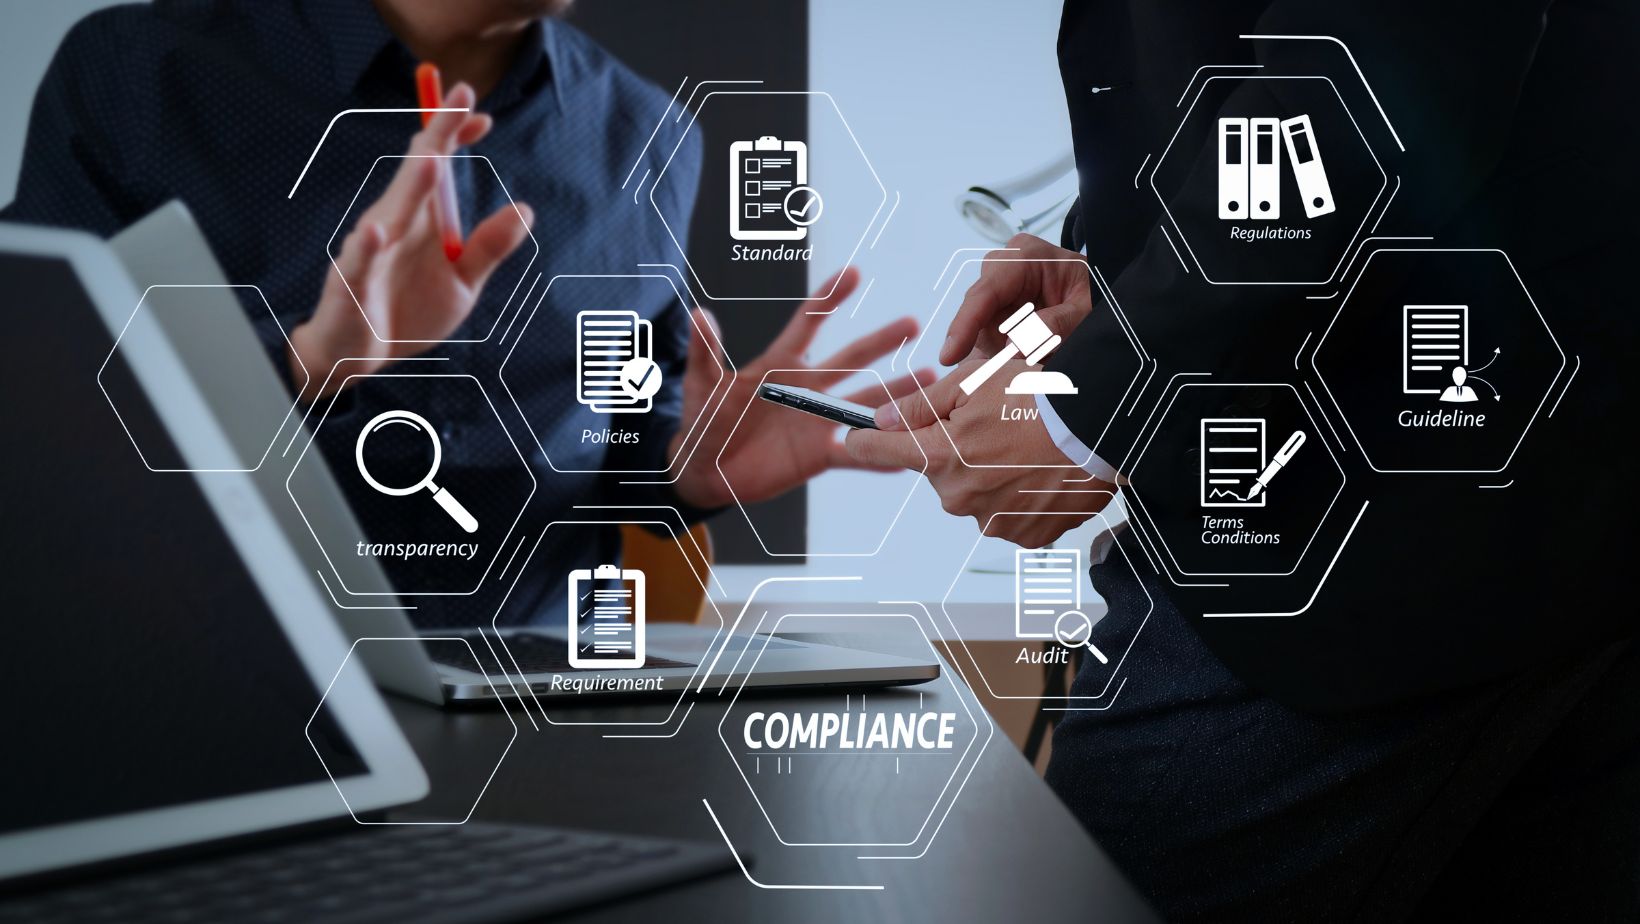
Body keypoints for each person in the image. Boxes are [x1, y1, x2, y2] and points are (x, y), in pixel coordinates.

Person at [848, 1, 1639, 919]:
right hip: (1521, 499)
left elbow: (1374, 60)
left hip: (1353, 545)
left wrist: (1103, 394)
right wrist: (1123, 275)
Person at [4, 0, 928, 625]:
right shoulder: (138, 75)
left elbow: (622, 452)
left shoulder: (648, 133)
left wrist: (687, 473)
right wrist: (305, 364)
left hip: (543, 710)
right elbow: (40, 419)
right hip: (209, 697)